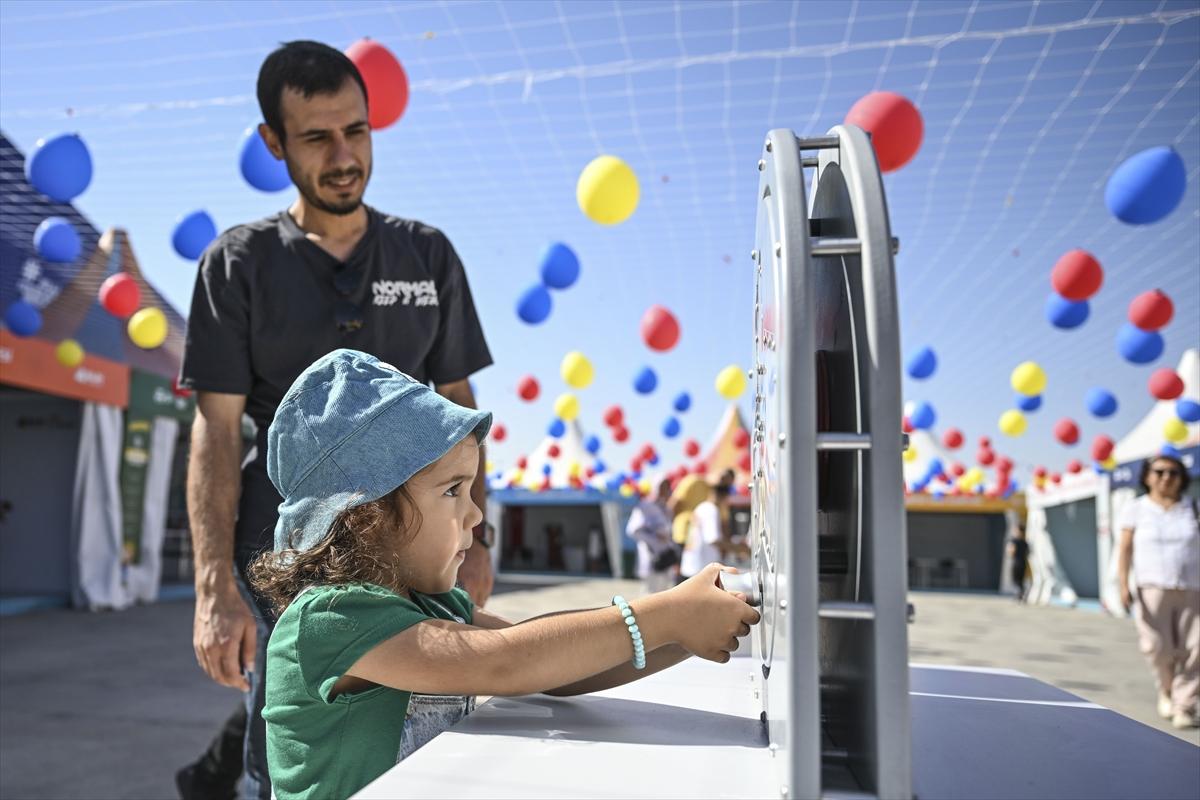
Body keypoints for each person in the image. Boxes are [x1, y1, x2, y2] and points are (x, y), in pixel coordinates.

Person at [177, 41, 495, 799]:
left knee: (420, 726)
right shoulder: (237, 264)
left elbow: (459, 410)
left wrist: (477, 534)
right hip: (279, 555)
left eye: (356, 131)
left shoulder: (426, 255)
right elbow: (216, 433)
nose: (344, 155)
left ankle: (214, 769)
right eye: (317, 138)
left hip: (408, 549)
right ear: (274, 144)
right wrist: (214, 584)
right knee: (288, 744)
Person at [250, 349, 761, 800]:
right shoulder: (328, 618)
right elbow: (506, 662)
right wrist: (663, 615)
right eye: (453, 491)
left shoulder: (435, 607)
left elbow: (550, 663)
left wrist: (683, 631)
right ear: (367, 515)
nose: (476, 516)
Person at [1117, 453, 1199, 730]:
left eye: (1173, 473)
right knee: (1156, 646)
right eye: (1160, 472)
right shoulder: (1136, 508)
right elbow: (1125, 548)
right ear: (1148, 476)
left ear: (1182, 478)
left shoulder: (1192, 507)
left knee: (1196, 648)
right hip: (1151, 587)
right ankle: (1166, 689)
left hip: (1192, 587)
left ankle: (1184, 704)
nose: (1166, 477)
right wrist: (1122, 583)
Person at [680, 478, 743, 581]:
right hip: (701, 568)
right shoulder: (711, 509)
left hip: (692, 564)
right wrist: (738, 549)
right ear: (724, 497)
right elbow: (712, 539)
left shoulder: (701, 507)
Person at [627, 478, 677, 594]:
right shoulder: (645, 507)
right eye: (661, 487)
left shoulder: (667, 509)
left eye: (666, 487)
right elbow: (633, 530)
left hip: (666, 558)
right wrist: (654, 538)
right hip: (651, 558)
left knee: (664, 595)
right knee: (649, 595)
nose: (664, 491)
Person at [1007, 521, 1031, 603]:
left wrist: (1009, 550)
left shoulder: (1014, 540)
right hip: (1023, 562)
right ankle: (1021, 595)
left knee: (1015, 580)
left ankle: (1019, 595)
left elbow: (1011, 551)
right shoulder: (1025, 542)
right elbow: (1028, 553)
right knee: (1021, 580)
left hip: (1016, 562)